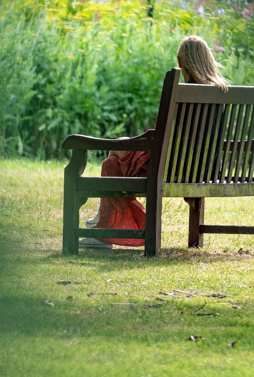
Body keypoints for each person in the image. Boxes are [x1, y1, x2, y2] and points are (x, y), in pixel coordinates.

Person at [80, 36, 229, 248]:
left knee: (117, 147)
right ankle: (103, 227)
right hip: (204, 170)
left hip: (169, 169)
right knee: (110, 165)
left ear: (180, 62)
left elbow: (167, 136)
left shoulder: (184, 93)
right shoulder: (220, 92)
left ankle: (104, 225)